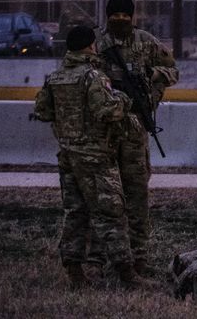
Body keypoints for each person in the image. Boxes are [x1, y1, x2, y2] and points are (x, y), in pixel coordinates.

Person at [32, 25, 139, 289]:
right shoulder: (93, 77)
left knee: (75, 214)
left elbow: (43, 111)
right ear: (90, 46)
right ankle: (127, 275)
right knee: (111, 214)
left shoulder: (55, 77)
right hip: (95, 157)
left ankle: (75, 274)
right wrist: (124, 99)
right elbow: (108, 110)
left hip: (68, 154)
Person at [93, 0, 177, 273]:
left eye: (125, 15)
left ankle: (139, 257)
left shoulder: (146, 42)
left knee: (137, 194)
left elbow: (172, 70)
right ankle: (99, 257)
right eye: (115, 15)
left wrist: (153, 77)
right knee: (103, 197)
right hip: (103, 131)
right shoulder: (96, 43)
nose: (120, 19)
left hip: (135, 128)